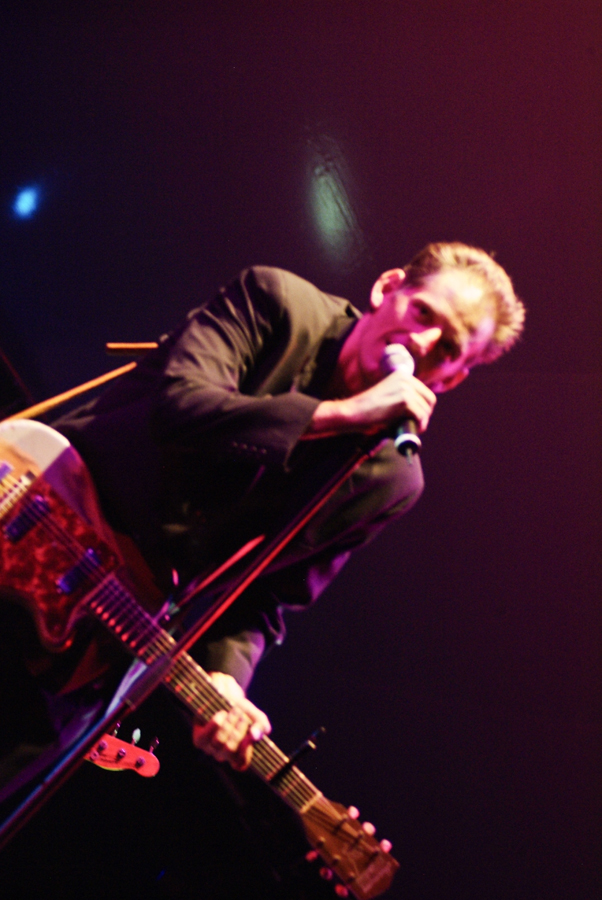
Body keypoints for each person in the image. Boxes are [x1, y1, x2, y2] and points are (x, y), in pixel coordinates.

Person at [1, 241, 524, 802]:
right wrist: (340, 416)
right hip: (36, 505)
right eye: (422, 313)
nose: (421, 343)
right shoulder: (277, 301)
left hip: (101, 624)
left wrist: (228, 678)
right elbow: (180, 406)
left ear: (453, 378)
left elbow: (264, 595)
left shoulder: (389, 479)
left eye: (447, 347)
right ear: (387, 288)